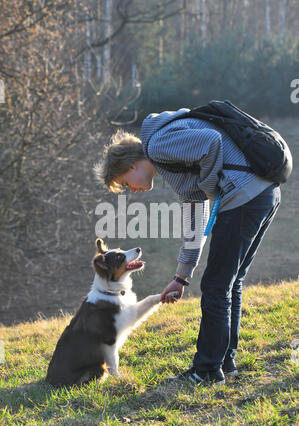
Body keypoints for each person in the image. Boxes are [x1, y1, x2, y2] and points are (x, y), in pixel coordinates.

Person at [94, 108, 281, 386]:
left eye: (125, 184)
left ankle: (206, 371)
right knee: (230, 282)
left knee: (217, 286)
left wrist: (209, 188)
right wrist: (181, 277)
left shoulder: (158, 145)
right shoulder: (174, 164)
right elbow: (196, 220)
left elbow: (211, 142)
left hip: (245, 196)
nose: (132, 190)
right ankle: (224, 362)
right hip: (264, 193)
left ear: (131, 166)